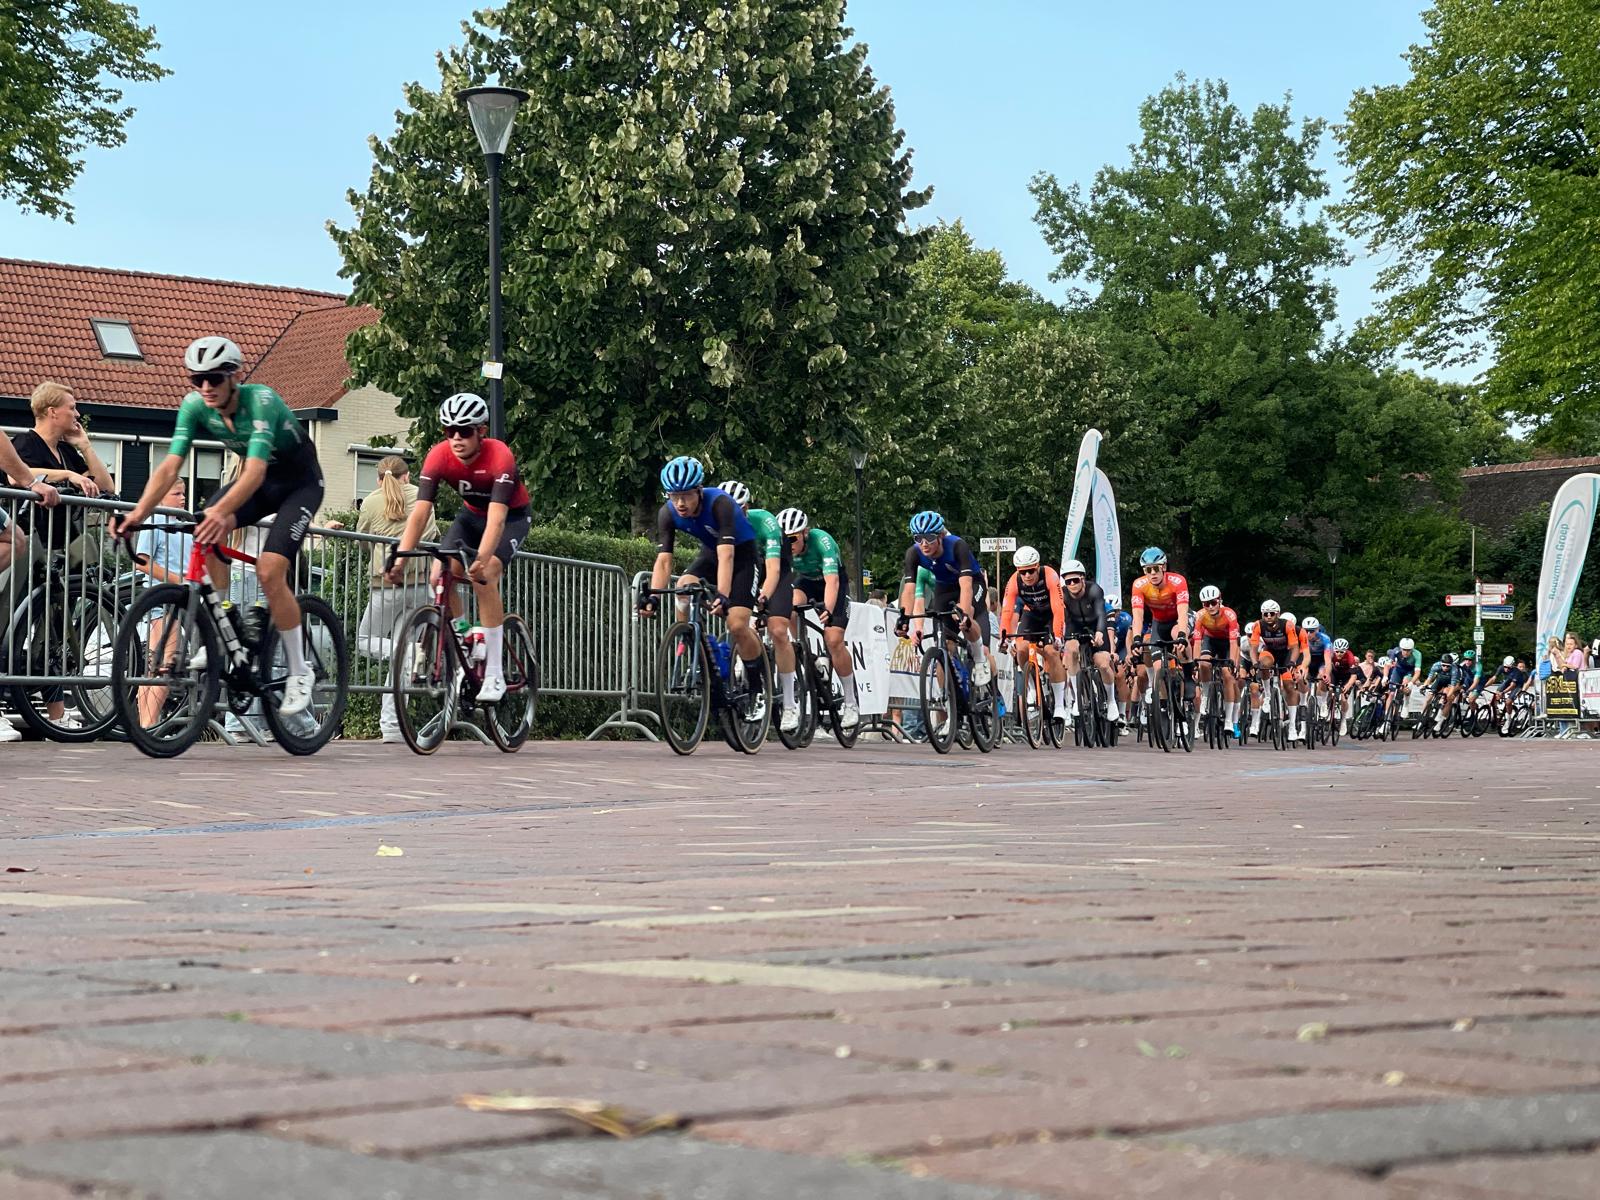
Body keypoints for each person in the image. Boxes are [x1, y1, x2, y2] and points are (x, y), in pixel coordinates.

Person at [112, 337, 325, 715]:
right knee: (206, 528)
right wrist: (137, 515)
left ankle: (299, 670)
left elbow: (254, 471)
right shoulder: (194, 406)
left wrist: (220, 513)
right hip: (260, 484)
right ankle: (225, 623)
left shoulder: (261, 402)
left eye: (214, 378)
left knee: (269, 570)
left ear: (235, 376)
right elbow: (170, 466)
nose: (206, 387)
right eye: (197, 380)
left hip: (300, 486)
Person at [388, 395, 530, 704]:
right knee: (438, 575)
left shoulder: (499, 456)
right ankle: (465, 635)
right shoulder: (439, 456)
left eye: (464, 431)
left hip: (511, 518)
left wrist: (482, 559)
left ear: (481, 431)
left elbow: (497, 520)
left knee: (485, 575)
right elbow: (420, 513)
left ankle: (495, 673)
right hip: (470, 517)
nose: (455, 438)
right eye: (449, 430)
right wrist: (400, 559)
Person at [638, 456, 766, 715]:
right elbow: (664, 561)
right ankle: (696, 646)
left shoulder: (720, 503)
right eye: (674, 496)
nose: (680, 503)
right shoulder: (667, 513)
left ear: (699, 491)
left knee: (737, 624)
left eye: (686, 496)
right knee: (684, 586)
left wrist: (723, 595)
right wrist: (653, 597)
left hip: (742, 556)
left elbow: (727, 556)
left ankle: (758, 688)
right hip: (710, 554)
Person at [358, 456, 437, 741]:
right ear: (407, 476)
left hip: (386, 584)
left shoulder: (371, 501)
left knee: (364, 640)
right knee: (403, 656)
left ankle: (407, 652)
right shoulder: (422, 497)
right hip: (420, 584)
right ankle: (392, 726)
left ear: (379, 479)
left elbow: (363, 540)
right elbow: (430, 534)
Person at [721, 481, 798, 728]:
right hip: (747, 567)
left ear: (746, 508)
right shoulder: (722, 523)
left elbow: (773, 570)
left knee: (778, 629)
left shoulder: (765, 522)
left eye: (737, 509)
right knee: (738, 622)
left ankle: (790, 704)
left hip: (776, 569)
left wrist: (763, 596)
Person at [779, 506, 861, 731]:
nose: (788, 544)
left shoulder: (822, 542)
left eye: (793, 538)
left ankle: (851, 702)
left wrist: (829, 610)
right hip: (806, 581)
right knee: (788, 607)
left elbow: (832, 581)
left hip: (832, 583)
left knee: (833, 639)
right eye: (784, 539)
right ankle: (804, 650)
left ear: (805, 533)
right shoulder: (783, 549)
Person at [11, 381, 117, 553]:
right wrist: (68, 474)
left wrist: (85, 447)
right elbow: (15, 476)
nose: (77, 414)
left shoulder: (66, 451)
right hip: (33, 545)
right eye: (72, 408)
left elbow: (106, 487)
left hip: (65, 545)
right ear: (52, 412)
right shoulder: (25, 442)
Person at [895, 511, 992, 686]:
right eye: (918, 538)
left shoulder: (956, 546)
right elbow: (909, 591)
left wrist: (963, 612)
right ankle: (948, 696)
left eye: (929, 538)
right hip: (944, 587)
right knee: (944, 645)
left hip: (971, 583)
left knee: (966, 616)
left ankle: (979, 659)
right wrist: (904, 618)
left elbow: (966, 586)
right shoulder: (913, 553)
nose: (924, 544)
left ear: (940, 536)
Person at [131, 477, 195, 728]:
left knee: (158, 665)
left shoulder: (185, 525)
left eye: (183, 493)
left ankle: (146, 725)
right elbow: (142, 561)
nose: (183, 498)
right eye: (176, 494)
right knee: (166, 662)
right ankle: (148, 726)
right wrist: (178, 580)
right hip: (162, 600)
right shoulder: (155, 521)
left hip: (180, 601)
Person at [999, 546, 1067, 736]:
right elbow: (1007, 610)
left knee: (1051, 652)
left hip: (1050, 615)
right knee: (1020, 648)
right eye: (1023, 572)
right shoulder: (1014, 581)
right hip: (1031, 615)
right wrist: (1004, 637)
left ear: (1037, 567)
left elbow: (1058, 608)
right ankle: (1030, 687)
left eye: (1030, 571)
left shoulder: (1050, 575)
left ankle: (1059, 704)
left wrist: (1058, 635)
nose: (1027, 575)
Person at [1059, 557, 1117, 725]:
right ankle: (1078, 698)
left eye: (1075, 580)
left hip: (1095, 626)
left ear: (1083, 579)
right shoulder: (1063, 594)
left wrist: (1099, 633)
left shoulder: (1094, 590)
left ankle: (1111, 700)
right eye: (1068, 581)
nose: (1072, 584)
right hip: (1075, 627)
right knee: (1070, 650)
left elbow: (1100, 614)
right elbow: (1061, 618)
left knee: (1103, 663)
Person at [1190, 585, 1241, 738]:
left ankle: (1229, 721)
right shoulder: (1200, 616)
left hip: (1227, 642)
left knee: (1227, 675)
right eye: (1207, 604)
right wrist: (1195, 664)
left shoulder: (1230, 614)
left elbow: (1234, 643)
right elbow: (1197, 642)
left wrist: (1232, 662)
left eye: (1213, 602)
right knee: (1204, 663)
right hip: (1210, 640)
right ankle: (1205, 695)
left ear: (1219, 600)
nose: (1211, 607)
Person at [1248, 600, 1301, 740]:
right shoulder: (1258, 625)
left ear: (1277, 614)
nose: (1268, 616)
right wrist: (1254, 663)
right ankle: (1267, 695)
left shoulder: (1287, 625)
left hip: (1285, 654)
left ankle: (1292, 727)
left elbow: (1295, 647)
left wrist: (1292, 662)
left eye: (1271, 613)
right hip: (1270, 651)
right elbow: (1253, 648)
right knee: (1263, 664)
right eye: (1266, 614)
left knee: (1289, 686)